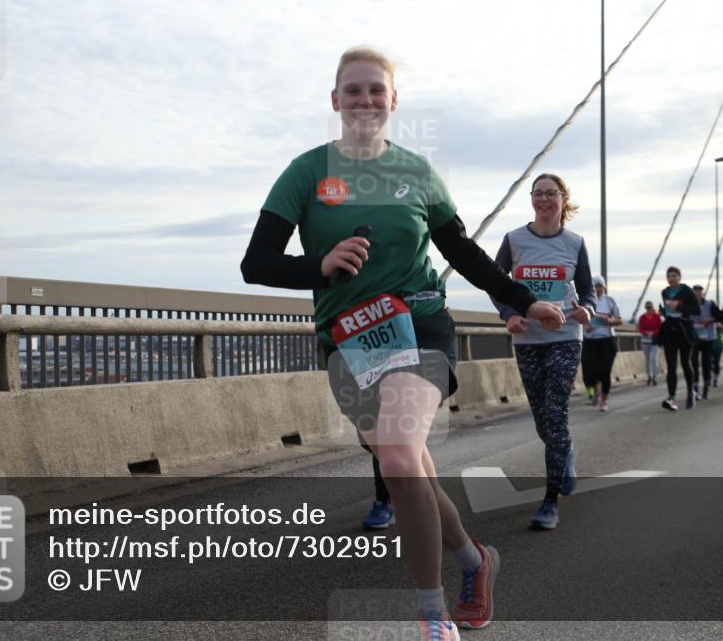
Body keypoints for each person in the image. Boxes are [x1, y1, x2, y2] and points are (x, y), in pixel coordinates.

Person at [240, 47, 566, 637]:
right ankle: (475, 560)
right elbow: (255, 263)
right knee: (408, 467)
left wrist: (523, 300)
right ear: (335, 100)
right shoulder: (307, 172)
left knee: (395, 458)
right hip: (350, 339)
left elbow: (461, 251)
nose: (365, 100)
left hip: (419, 324)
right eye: (353, 90)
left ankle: (431, 615)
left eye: (376, 90)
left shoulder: (417, 172)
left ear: (393, 101)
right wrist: (320, 265)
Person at [492, 172, 595, 530]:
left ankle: (549, 502)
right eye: (538, 193)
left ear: (564, 199)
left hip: (566, 335)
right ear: (532, 199)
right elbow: (495, 282)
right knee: (541, 418)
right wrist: (509, 314)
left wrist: (587, 310)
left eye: (551, 193)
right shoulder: (514, 239)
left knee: (555, 412)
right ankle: (565, 454)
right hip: (527, 338)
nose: (544, 199)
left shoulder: (575, 243)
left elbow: (587, 291)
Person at [659, 266, 700, 410]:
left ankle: (691, 392)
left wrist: (679, 308)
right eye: (669, 276)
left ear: (679, 277)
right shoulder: (664, 292)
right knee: (671, 366)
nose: (671, 278)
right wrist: (664, 311)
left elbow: (696, 310)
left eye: (674, 275)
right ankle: (671, 398)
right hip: (670, 330)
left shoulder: (687, 291)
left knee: (685, 363)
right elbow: (668, 311)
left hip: (685, 330)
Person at [581, 276, 622, 411]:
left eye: (599, 286)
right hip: (589, 341)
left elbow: (619, 320)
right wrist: (586, 325)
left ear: (604, 287)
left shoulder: (609, 301)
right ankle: (592, 394)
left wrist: (609, 321)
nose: (597, 288)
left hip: (607, 341)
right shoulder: (585, 302)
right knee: (588, 372)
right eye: (594, 286)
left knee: (604, 372)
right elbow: (579, 319)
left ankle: (603, 401)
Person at [690, 284, 720, 400]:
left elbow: (720, 316)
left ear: (702, 293)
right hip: (694, 339)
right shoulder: (689, 305)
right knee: (694, 364)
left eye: (699, 292)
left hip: (708, 339)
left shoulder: (710, 304)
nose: (697, 294)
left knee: (706, 364)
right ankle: (695, 388)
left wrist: (710, 319)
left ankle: (706, 387)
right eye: (695, 292)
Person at [638, 301, 662, 386]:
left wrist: (653, 332)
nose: (649, 309)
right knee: (648, 359)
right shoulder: (642, 317)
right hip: (645, 341)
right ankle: (649, 376)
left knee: (654, 358)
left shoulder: (657, 317)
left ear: (653, 307)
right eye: (647, 307)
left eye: (650, 307)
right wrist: (646, 332)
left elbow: (660, 328)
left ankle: (655, 376)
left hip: (655, 341)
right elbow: (640, 328)